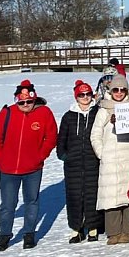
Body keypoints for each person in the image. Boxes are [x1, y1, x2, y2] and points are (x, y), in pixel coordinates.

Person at [0, 80, 57, 251]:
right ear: (17, 100)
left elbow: (52, 137)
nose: (26, 105)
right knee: (8, 205)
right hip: (8, 170)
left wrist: (40, 156)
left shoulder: (45, 113)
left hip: (33, 169)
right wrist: (1, 159)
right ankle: (4, 236)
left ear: (34, 99)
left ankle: (29, 235)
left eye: (29, 101)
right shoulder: (7, 113)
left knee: (31, 202)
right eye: (22, 102)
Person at [90, 74, 129, 244]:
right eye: (115, 89)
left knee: (128, 194)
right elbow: (95, 134)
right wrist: (102, 153)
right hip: (111, 157)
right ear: (110, 90)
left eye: (122, 90)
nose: (119, 93)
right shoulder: (103, 109)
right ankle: (113, 231)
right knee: (111, 194)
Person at [57, 80, 101, 243]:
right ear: (76, 97)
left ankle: (93, 227)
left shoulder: (97, 112)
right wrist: (63, 155)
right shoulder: (69, 116)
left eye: (87, 94)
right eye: (81, 95)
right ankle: (76, 228)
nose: (85, 97)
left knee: (92, 194)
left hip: (92, 161)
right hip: (73, 164)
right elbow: (61, 139)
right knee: (74, 195)